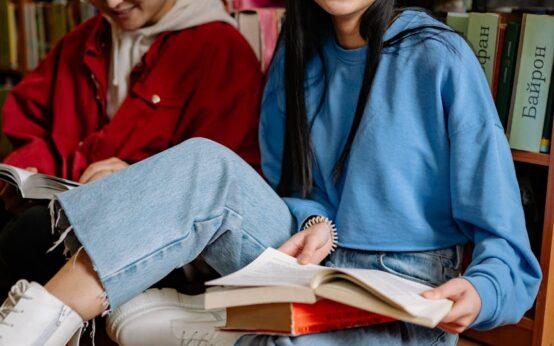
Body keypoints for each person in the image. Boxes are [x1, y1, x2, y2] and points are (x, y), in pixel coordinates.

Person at [0, 0, 542, 345]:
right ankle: (29, 329)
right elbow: (284, 189)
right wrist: (311, 226)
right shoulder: (298, 51)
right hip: (304, 263)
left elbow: (510, 253)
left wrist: (482, 291)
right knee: (205, 161)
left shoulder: (439, 58)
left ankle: (234, 331)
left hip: (401, 293)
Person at [0, 0, 262, 296]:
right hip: (69, 204)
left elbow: (225, 189)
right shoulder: (88, 37)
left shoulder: (221, 49)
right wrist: (28, 171)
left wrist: (137, 185)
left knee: (32, 234)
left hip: (159, 244)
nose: (112, 3)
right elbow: (33, 120)